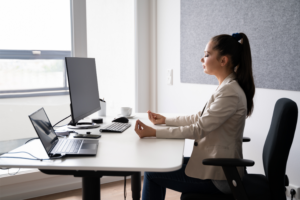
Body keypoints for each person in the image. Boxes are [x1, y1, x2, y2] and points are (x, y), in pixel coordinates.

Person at [134, 32, 256, 200]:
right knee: (158, 166)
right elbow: (200, 117)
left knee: (151, 173)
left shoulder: (230, 93)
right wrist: (166, 120)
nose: (202, 59)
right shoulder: (227, 87)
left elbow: (198, 129)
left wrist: (154, 132)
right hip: (214, 164)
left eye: (206, 55)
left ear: (223, 60)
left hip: (219, 177)